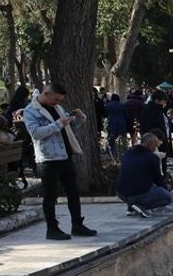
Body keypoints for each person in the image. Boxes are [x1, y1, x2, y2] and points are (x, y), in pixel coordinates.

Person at [23, 83, 97, 241]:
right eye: (55, 99)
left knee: (73, 192)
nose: (57, 102)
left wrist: (78, 119)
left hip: (65, 155)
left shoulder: (58, 108)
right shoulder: (31, 111)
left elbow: (67, 128)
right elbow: (36, 133)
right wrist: (58, 124)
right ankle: (52, 228)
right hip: (48, 158)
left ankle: (77, 224)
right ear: (46, 93)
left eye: (60, 100)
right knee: (50, 195)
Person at [116, 130, 173, 216]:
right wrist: (166, 189)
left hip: (121, 192)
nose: (156, 148)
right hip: (139, 193)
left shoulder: (128, 153)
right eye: (156, 146)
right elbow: (158, 180)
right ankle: (141, 206)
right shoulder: (152, 158)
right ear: (151, 145)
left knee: (139, 185)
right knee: (168, 198)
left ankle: (131, 206)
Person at [105, 93, 130, 160]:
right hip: (122, 123)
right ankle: (123, 153)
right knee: (123, 139)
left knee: (111, 139)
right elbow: (127, 115)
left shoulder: (108, 105)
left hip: (112, 123)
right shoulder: (122, 105)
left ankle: (112, 154)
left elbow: (105, 114)